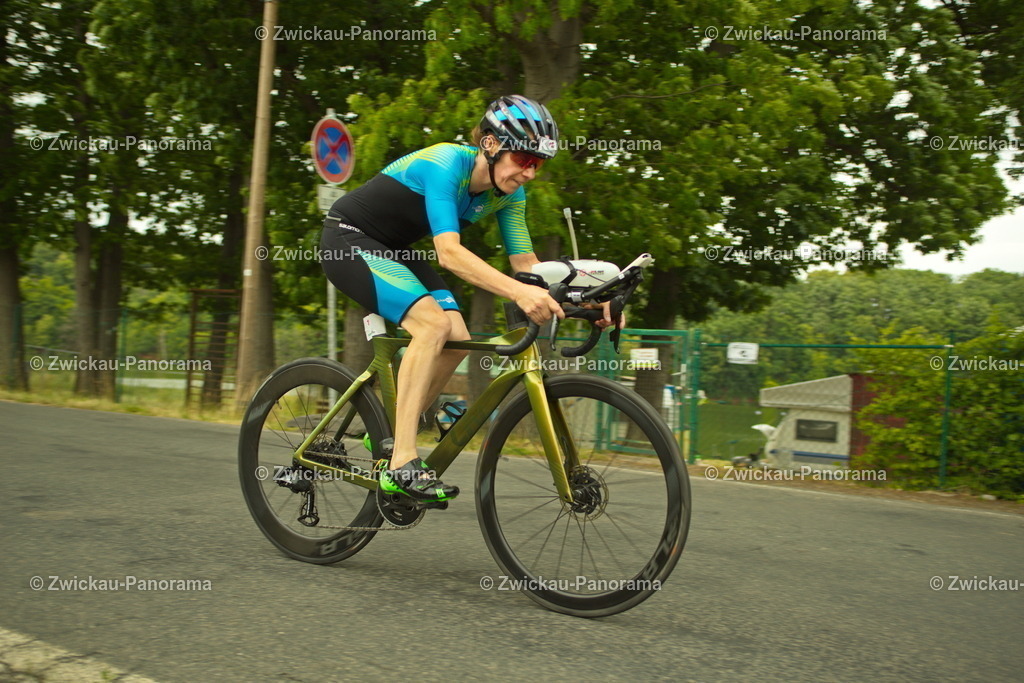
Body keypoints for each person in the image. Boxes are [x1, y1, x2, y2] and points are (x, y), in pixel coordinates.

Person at [319, 95, 615, 504]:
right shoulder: (445, 164)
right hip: (348, 239)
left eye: (538, 164)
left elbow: (526, 265)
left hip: (396, 250)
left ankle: (384, 436)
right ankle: (401, 461)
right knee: (434, 324)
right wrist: (519, 292)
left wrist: (585, 297)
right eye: (522, 158)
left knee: (456, 336)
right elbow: (449, 253)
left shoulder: (510, 194)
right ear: (491, 145)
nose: (529, 172)